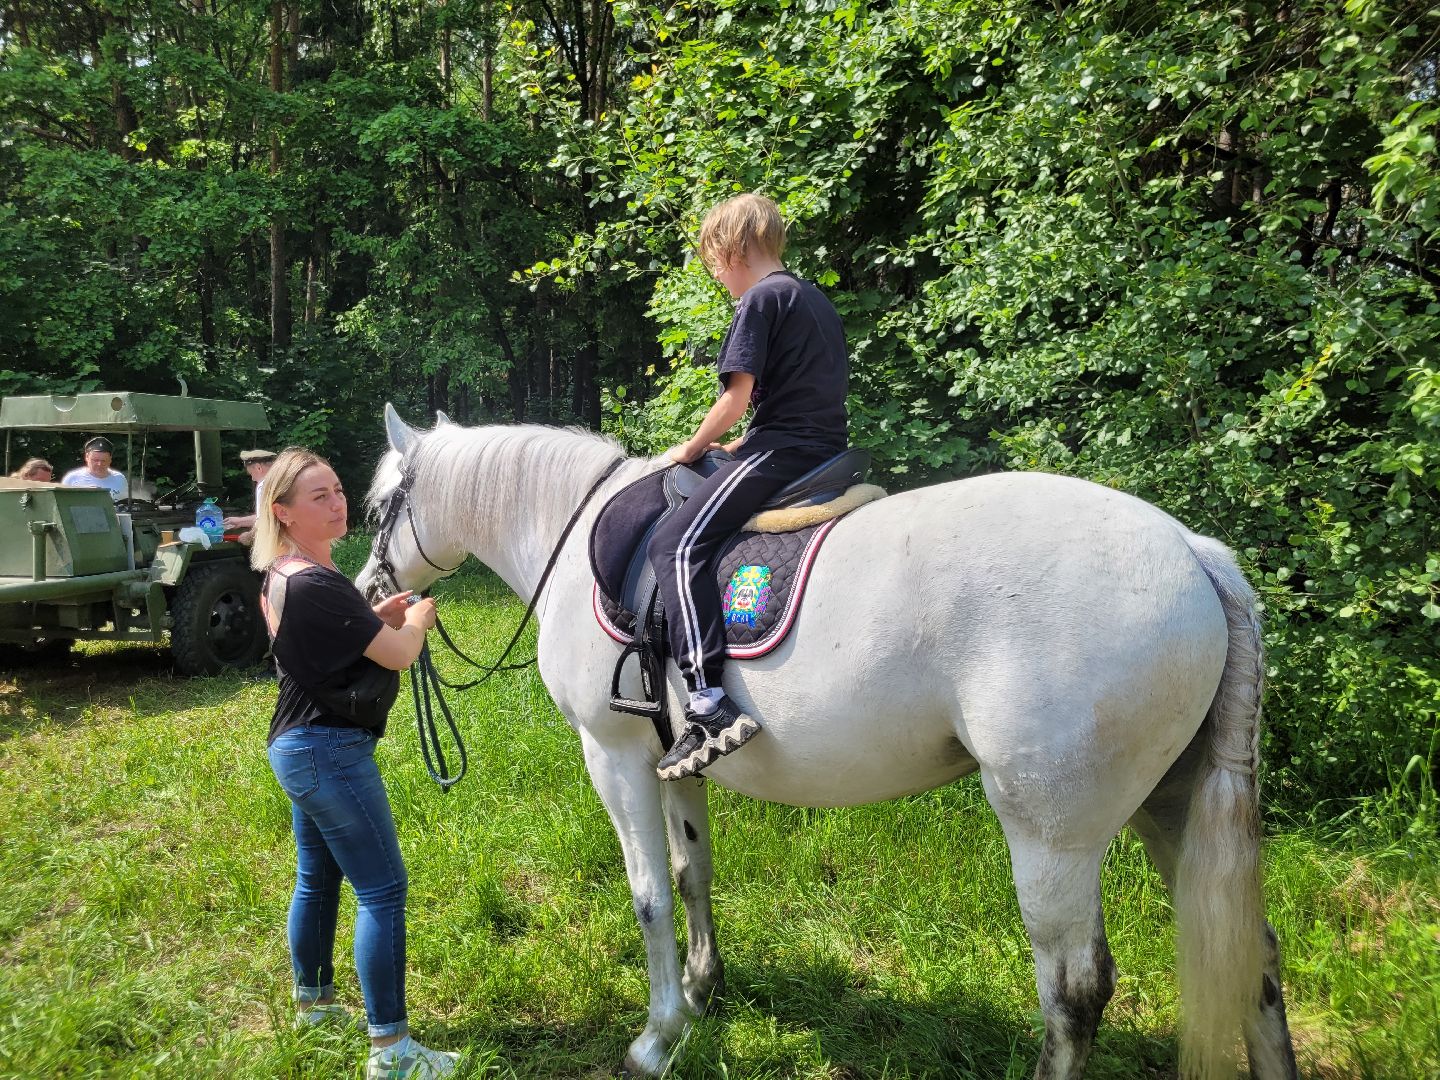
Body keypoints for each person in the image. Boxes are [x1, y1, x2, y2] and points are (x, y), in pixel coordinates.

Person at [252, 447, 459, 1080]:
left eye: (339, 489)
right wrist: (415, 619)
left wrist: (373, 616)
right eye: (320, 496)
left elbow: (326, 641)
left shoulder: (284, 575)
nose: (338, 502)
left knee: (316, 880)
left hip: (299, 747)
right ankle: (391, 1051)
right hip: (330, 751)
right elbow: (396, 657)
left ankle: (313, 1007)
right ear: (282, 511)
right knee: (383, 888)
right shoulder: (317, 583)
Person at [647, 193, 849, 781]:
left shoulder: (759, 300)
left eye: (714, 261)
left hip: (783, 454)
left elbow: (734, 399)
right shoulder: (811, 297)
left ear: (733, 248)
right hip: (822, 448)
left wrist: (688, 449)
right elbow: (803, 395)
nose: (717, 275)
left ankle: (708, 704)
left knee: (675, 546)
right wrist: (741, 445)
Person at [224, 447, 277, 536]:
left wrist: (249, 536)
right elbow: (267, 517)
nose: (252, 479)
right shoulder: (285, 481)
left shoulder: (264, 485)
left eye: (251, 474)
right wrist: (240, 521)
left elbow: (265, 522)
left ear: (258, 468)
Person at [61, 437, 127, 499]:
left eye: (103, 461)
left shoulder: (119, 479)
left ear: (110, 459)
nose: (99, 464)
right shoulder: (72, 478)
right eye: (95, 460)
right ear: (87, 457)